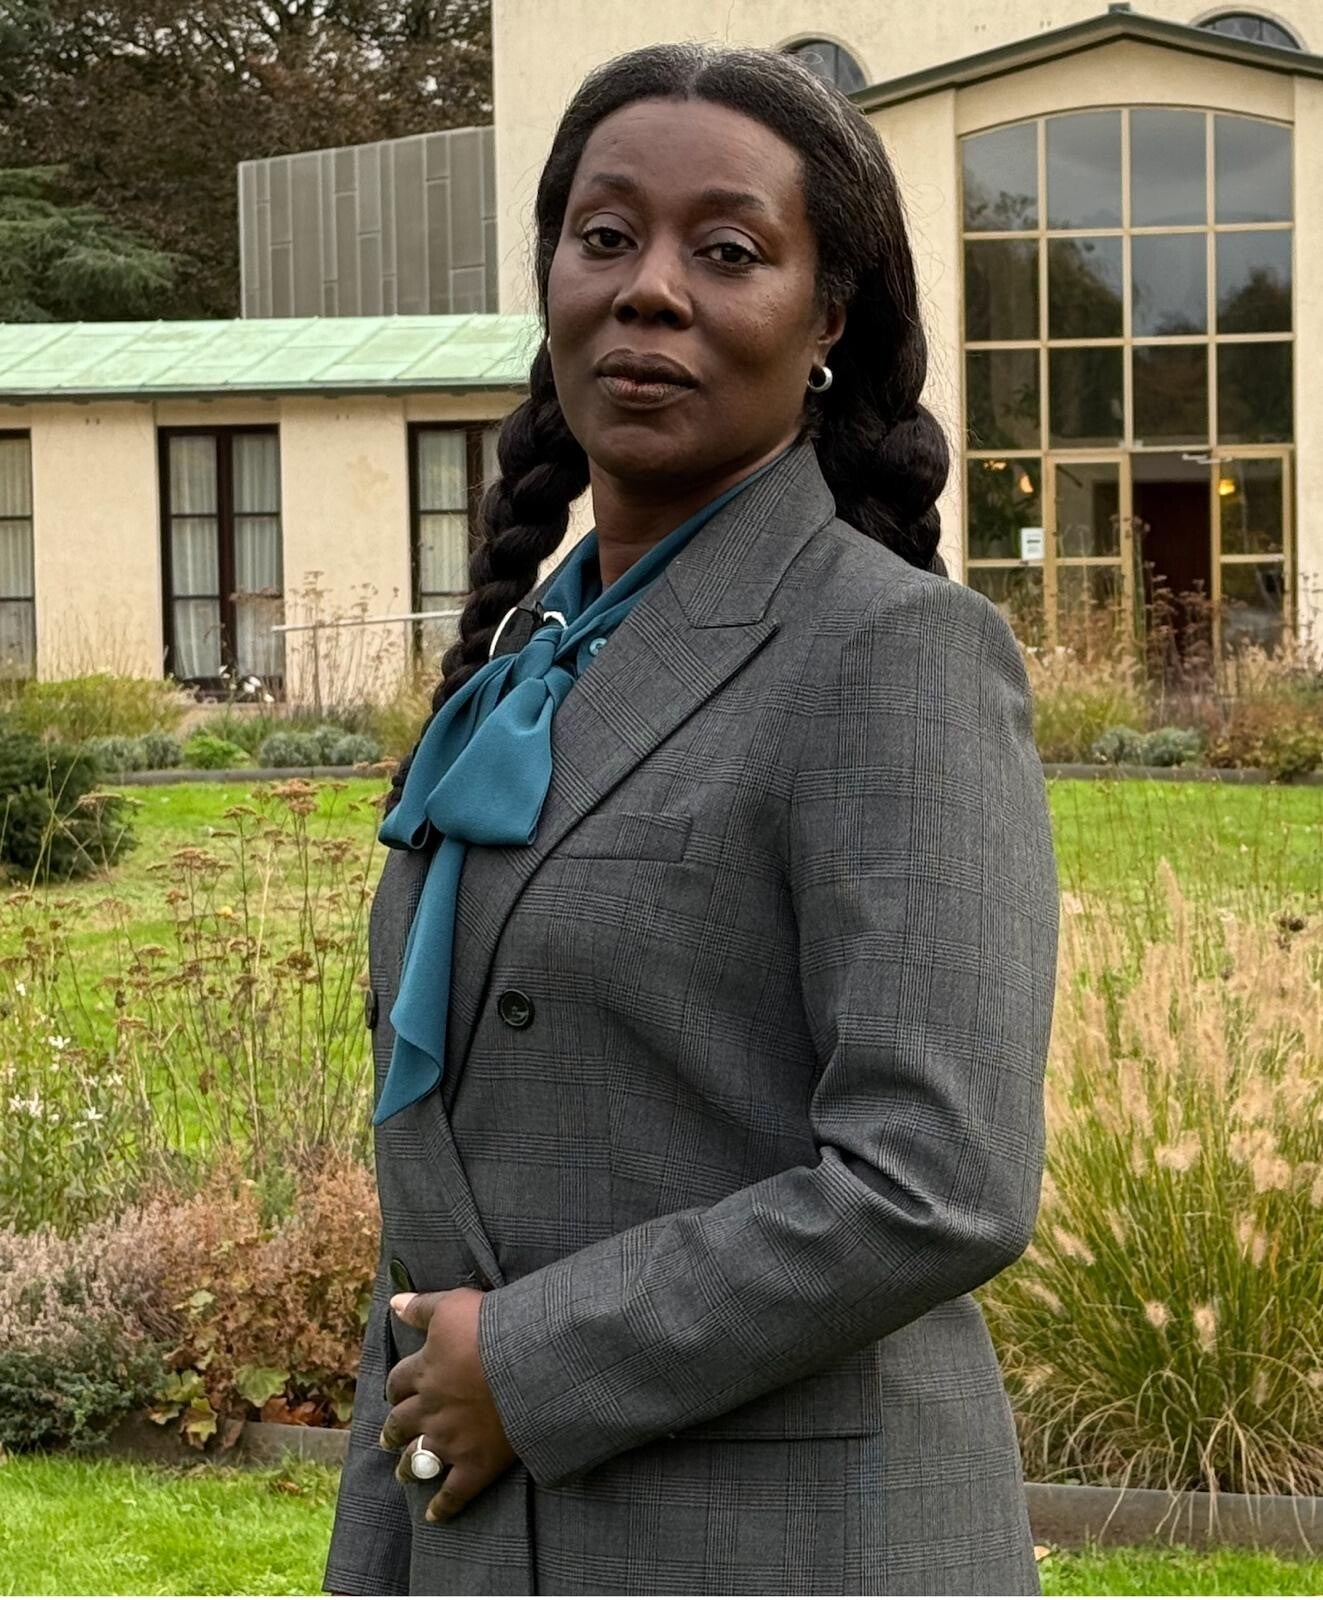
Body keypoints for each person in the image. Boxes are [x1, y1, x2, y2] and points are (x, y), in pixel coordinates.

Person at [324, 39, 1059, 1598]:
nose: (650, 289)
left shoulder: (892, 652)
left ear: (827, 318)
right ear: (553, 277)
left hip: (782, 1550)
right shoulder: (529, 666)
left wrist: (527, 1363)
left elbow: (938, 1180)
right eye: (606, 236)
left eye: (727, 251)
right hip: (482, 1544)